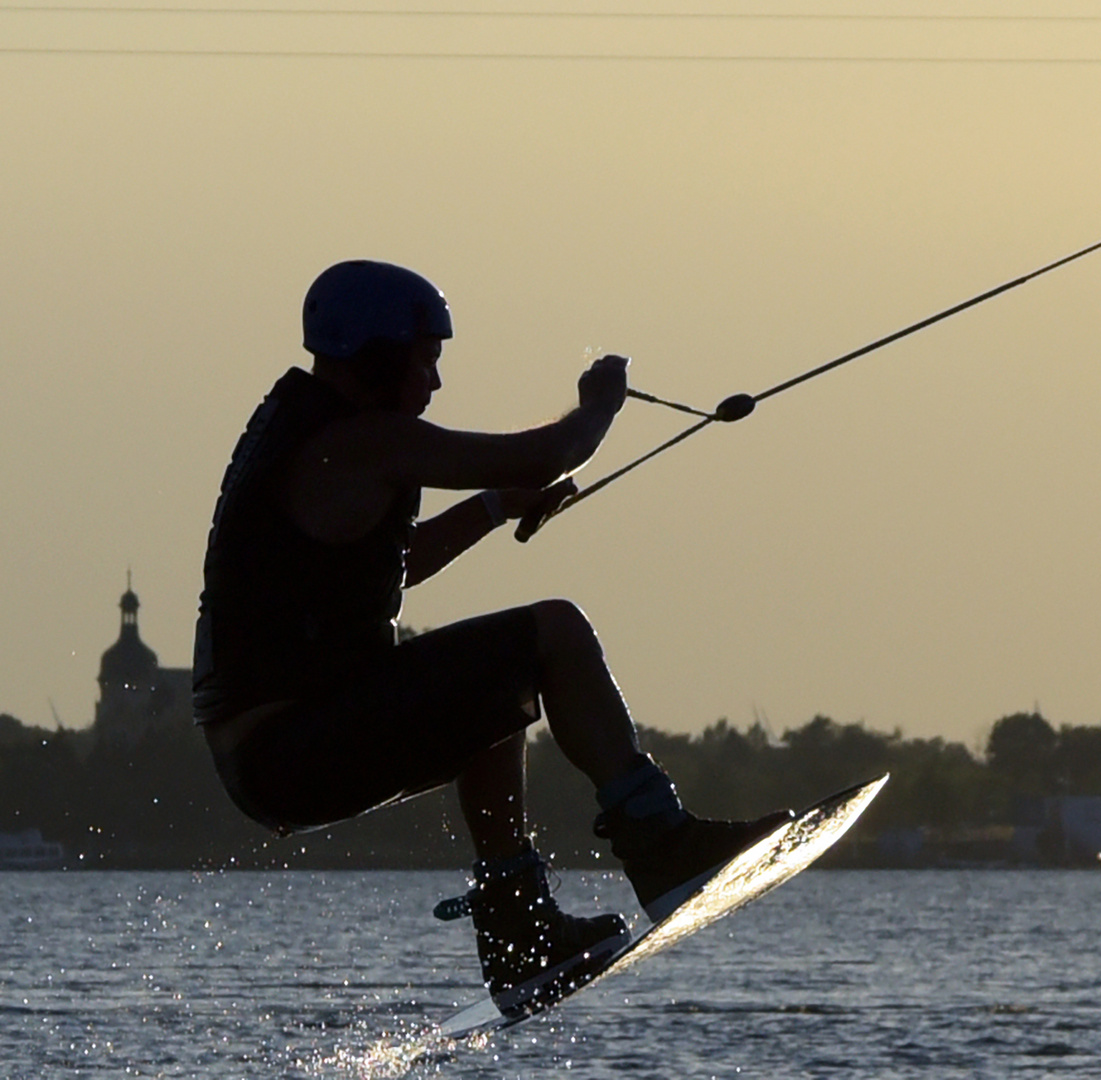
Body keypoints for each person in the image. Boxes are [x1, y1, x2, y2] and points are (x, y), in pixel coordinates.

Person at [193, 259, 790, 1015]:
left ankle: (519, 931)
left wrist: (496, 506)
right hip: (290, 749)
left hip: (281, 753)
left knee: (488, 688)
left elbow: (390, 567)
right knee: (555, 631)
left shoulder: (313, 436)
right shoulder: (360, 441)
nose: (434, 384)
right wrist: (600, 405)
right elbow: (548, 451)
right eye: (425, 362)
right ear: (378, 356)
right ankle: (661, 844)